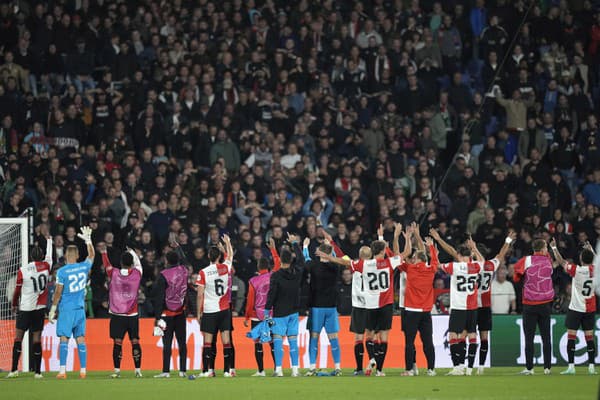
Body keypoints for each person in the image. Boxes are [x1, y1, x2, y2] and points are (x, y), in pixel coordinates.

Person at [317, 223, 410, 376]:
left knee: (360, 337)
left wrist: (330, 249)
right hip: (376, 304)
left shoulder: (359, 265)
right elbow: (393, 253)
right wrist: (391, 236)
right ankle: (378, 367)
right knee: (380, 336)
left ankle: (359, 368)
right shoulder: (380, 263)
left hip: (361, 305)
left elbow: (341, 257)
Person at [49, 226, 95, 379]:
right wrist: (88, 240)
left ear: (66, 255)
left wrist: (52, 309)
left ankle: (62, 371)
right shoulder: (83, 267)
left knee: (64, 339)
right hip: (80, 309)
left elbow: (58, 292)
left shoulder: (62, 272)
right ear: (76, 255)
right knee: (80, 338)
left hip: (67, 309)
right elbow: (92, 256)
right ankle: (83, 370)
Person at [470, 231, 516, 375]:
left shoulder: (470, 267)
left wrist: (473, 248)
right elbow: (502, 253)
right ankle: (481, 367)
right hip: (485, 307)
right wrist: (508, 240)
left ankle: (469, 367)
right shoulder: (491, 265)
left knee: (470, 337)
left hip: (472, 307)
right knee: (484, 338)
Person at [434, 236, 481, 376]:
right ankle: (469, 368)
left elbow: (437, 265)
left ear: (459, 255)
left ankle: (457, 367)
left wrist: (434, 252)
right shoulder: (476, 266)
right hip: (472, 308)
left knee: (453, 335)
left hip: (459, 307)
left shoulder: (454, 266)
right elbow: (482, 261)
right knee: (471, 335)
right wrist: (475, 248)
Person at [7, 237, 53, 379]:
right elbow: (49, 256)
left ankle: (14, 370)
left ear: (31, 256)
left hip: (26, 307)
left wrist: (14, 304)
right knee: (36, 338)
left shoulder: (23, 270)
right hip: (40, 308)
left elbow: (17, 291)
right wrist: (49, 242)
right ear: (41, 257)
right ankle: (38, 372)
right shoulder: (46, 266)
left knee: (18, 338)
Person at [550, 241, 597, 375]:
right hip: (590, 309)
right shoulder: (595, 270)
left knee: (571, 337)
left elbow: (561, 261)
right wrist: (591, 250)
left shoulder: (577, 270)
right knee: (589, 338)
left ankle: (571, 366)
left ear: (581, 259)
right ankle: (591, 367)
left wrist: (554, 247)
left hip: (576, 308)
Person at [264, 233, 308, 377]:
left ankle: (278, 370)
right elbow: (302, 260)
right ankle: (295, 370)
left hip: (279, 313)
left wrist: (266, 310)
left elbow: (271, 294)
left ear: (281, 260)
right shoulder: (297, 272)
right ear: (291, 259)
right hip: (294, 311)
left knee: (277, 339)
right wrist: (295, 243)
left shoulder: (276, 276)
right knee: (293, 340)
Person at [513, 238, 556, 375]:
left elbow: (516, 277)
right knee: (546, 338)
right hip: (545, 305)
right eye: (546, 248)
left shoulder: (526, 260)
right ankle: (547, 368)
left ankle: (529, 368)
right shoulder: (548, 261)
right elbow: (549, 260)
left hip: (529, 304)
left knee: (529, 338)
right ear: (543, 249)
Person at [194, 235, 235, 378]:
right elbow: (230, 256)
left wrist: (198, 313)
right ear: (219, 256)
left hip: (210, 310)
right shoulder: (225, 268)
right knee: (226, 341)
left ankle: (207, 371)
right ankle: (227, 371)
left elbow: (199, 295)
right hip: (224, 310)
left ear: (208, 257)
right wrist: (228, 243)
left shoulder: (203, 272)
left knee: (208, 342)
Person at [305, 233, 345, 377]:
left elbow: (306, 258)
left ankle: (312, 368)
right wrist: (331, 246)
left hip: (317, 307)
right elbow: (338, 258)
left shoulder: (314, 266)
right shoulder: (335, 268)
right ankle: (338, 367)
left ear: (319, 252)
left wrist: (304, 246)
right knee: (333, 338)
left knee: (314, 337)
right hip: (331, 308)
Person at [398, 234, 438, 377]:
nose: (413, 260)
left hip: (411, 311)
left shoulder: (411, 269)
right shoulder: (431, 270)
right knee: (428, 342)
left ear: (418, 260)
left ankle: (409, 370)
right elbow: (435, 261)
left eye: (414, 258)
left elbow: (397, 258)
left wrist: (406, 239)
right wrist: (431, 247)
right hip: (426, 312)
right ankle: (431, 369)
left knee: (409, 342)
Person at [102, 245, 144, 378]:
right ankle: (137, 370)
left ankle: (117, 371)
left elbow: (106, 264)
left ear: (120, 263)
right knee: (135, 341)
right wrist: (132, 251)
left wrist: (104, 252)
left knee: (117, 342)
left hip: (117, 315)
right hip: (132, 315)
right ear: (131, 263)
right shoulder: (137, 273)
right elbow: (138, 263)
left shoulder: (114, 273)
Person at [244, 238, 280, 377]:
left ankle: (261, 371)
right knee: (272, 342)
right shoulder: (274, 275)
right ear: (268, 267)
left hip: (256, 315)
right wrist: (273, 249)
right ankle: (277, 369)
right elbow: (278, 263)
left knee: (258, 343)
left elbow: (250, 301)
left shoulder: (253, 281)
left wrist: (247, 316)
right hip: (271, 314)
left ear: (258, 268)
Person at [152, 244, 189, 378]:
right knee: (182, 343)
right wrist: (179, 247)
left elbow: (159, 297)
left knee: (167, 343)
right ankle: (182, 371)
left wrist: (157, 316)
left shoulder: (164, 275)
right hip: (181, 312)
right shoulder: (184, 270)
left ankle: (166, 371)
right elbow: (185, 261)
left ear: (167, 261)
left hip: (167, 314)